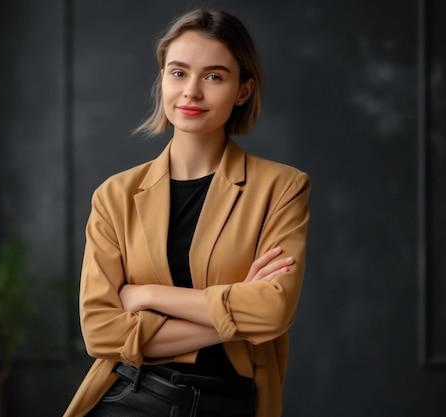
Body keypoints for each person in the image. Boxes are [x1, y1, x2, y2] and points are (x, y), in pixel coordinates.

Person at [64, 8, 311, 417]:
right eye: (178, 73)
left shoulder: (282, 187)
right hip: (132, 397)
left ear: (243, 91)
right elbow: (100, 332)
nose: (191, 91)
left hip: (230, 403)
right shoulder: (114, 195)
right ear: (163, 79)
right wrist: (236, 316)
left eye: (214, 77)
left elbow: (272, 311)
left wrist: (147, 295)